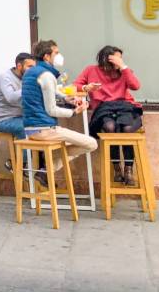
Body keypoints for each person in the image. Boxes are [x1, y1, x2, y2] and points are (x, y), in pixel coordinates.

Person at [22, 40, 98, 185]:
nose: (59, 56)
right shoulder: (47, 76)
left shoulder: (31, 72)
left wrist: (68, 98)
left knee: (69, 144)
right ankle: (46, 167)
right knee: (91, 143)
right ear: (46, 56)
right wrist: (75, 112)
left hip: (30, 129)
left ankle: (45, 168)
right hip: (45, 129)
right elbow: (51, 110)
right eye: (56, 53)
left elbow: (52, 91)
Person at [75, 45, 142, 186]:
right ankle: (116, 167)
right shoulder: (91, 70)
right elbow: (76, 86)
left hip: (125, 107)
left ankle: (128, 169)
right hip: (104, 109)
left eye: (121, 58)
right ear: (108, 59)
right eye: (118, 58)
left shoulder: (124, 71)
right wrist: (87, 88)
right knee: (110, 127)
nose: (120, 61)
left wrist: (123, 66)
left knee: (127, 129)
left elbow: (135, 86)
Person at [0, 53, 40, 176]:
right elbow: (11, 97)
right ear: (19, 66)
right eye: (30, 67)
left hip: (21, 117)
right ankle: (20, 165)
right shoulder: (5, 77)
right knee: (26, 128)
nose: (33, 70)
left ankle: (40, 169)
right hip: (4, 120)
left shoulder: (26, 78)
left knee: (42, 125)